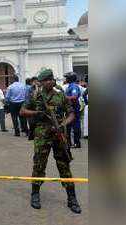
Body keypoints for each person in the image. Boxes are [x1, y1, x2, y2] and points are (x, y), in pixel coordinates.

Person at [20, 69, 82, 214]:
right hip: (42, 135)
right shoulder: (35, 96)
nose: (48, 82)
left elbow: (71, 114)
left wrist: (63, 124)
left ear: (53, 80)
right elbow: (22, 111)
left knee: (64, 164)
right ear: (40, 82)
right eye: (45, 80)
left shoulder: (61, 96)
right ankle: (35, 194)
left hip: (59, 134)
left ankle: (72, 198)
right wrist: (37, 113)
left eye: (50, 79)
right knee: (39, 164)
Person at [64, 72, 82, 148]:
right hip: (70, 107)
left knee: (75, 125)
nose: (66, 79)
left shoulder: (74, 86)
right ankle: (69, 143)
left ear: (70, 78)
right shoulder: (70, 86)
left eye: (67, 77)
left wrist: (64, 97)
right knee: (69, 125)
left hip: (73, 107)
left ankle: (76, 143)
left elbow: (74, 97)